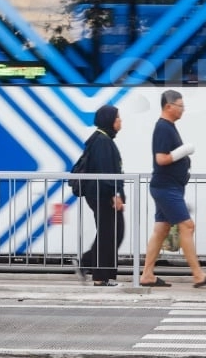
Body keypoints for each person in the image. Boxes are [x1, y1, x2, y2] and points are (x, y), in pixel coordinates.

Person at [139, 90, 206, 289]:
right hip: (167, 188)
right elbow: (161, 159)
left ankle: (147, 275)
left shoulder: (168, 127)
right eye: (180, 106)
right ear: (169, 106)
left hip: (169, 187)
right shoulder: (163, 128)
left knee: (161, 230)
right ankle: (198, 274)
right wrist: (184, 151)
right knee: (187, 226)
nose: (183, 110)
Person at [77, 105, 126, 287]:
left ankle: (92, 267)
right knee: (110, 233)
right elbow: (106, 171)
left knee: (111, 232)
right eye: (118, 117)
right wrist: (115, 194)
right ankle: (96, 273)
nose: (120, 121)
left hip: (101, 193)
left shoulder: (102, 139)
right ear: (109, 120)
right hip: (102, 194)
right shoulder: (103, 141)